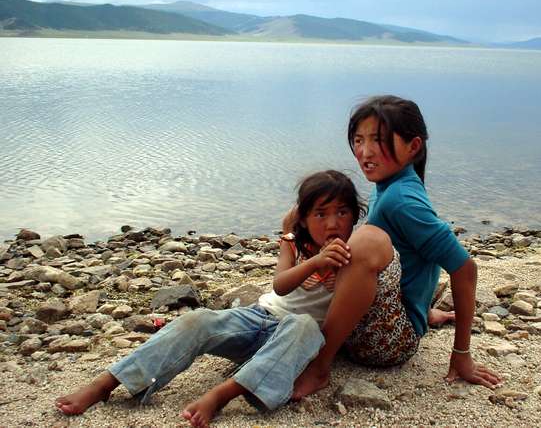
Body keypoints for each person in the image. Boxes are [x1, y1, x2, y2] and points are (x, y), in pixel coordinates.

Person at [55, 170, 367, 427]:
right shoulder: (293, 243)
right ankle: (108, 382)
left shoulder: (357, 252)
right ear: (302, 219)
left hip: (296, 341)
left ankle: (222, 395)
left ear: (355, 215)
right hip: (259, 318)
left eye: (342, 212)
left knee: (301, 325)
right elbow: (281, 286)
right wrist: (315, 261)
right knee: (197, 319)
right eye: (320, 214)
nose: (332, 223)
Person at [293, 95, 502, 399]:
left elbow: (465, 268)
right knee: (304, 212)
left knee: (364, 241)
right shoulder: (392, 186)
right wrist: (425, 310)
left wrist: (462, 353)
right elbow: (415, 257)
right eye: (358, 140)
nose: (364, 152)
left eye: (378, 140)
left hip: (389, 341)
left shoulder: (401, 199)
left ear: (413, 147)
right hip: (390, 317)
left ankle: (320, 368)